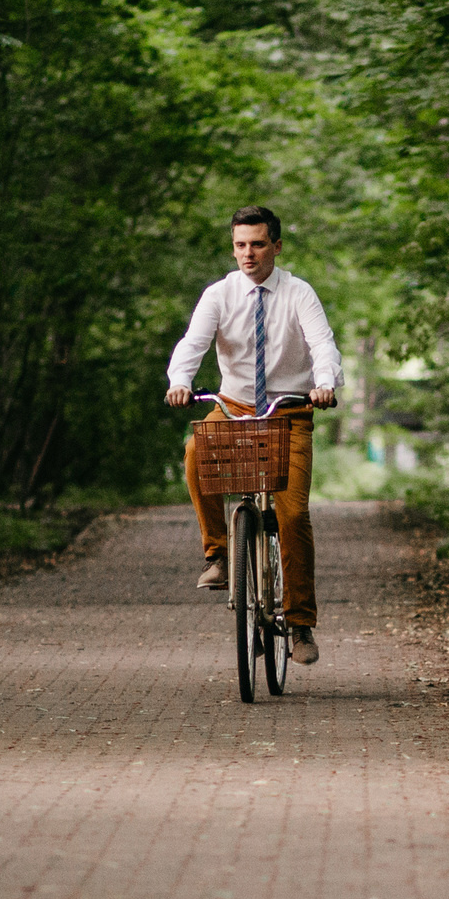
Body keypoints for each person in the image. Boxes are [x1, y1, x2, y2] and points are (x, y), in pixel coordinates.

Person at [164, 206, 343, 665]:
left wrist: (325, 383)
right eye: (241, 245)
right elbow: (193, 343)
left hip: (289, 410)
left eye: (258, 244)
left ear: (276, 247)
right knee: (195, 451)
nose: (249, 253)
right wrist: (180, 381)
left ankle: (299, 623)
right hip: (236, 407)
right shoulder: (219, 294)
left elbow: (322, 344)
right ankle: (218, 556)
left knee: (293, 515)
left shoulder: (299, 293)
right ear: (233, 248)